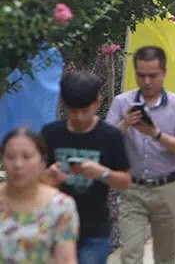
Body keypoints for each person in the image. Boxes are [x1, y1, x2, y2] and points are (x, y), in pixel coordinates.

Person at [106, 46, 175, 264]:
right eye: (141, 75)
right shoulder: (122, 103)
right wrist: (124, 125)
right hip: (132, 189)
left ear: (164, 72)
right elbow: (105, 143)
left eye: (152, 75)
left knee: (165, 256)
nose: (147, 81)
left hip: (167, 188)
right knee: (131, 253)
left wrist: (155, 134)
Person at [41, 72, 131, 264]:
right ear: (64, 105)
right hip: (54, 225)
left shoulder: (110, 136)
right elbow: (35, 180)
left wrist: (101, 173)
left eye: (85, 110)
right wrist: (48, 177)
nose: (79, 117)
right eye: (73, 111)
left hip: (94, 229)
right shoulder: (51, 133)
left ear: (97, 103)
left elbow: (125, 181)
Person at [0, 128, 79, 263]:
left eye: (27, 157)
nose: (18, 164)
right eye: (11, 157)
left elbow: (66, 259)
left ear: (42, 162)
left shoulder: (61, 206)